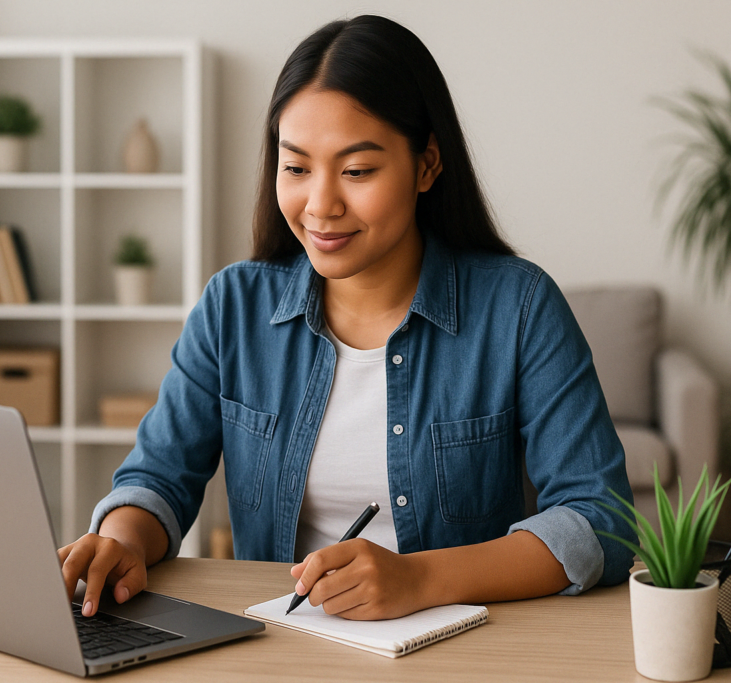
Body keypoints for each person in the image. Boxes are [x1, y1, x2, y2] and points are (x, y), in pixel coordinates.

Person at [58, 15, 635, 621]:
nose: (321, 205)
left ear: (427, 165)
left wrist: (420, 578)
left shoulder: (518, 307)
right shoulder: (233, 307)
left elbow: (601, 521)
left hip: (461, 652)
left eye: (357, 171)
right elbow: (157, 479)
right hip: (282, 647)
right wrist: (121, 541)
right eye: (297, 167)